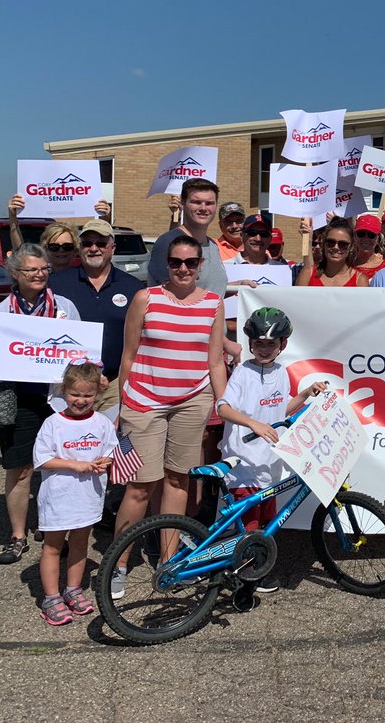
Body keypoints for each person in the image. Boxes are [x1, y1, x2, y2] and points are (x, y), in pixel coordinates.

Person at [110, 234, 229, 598]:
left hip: (192, 401)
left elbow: (214, 361)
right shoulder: (146, 298)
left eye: (190, 263)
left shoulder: (212, 303)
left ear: (200, 265)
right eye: (176, 262)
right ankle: (119, 563)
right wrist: (122, 404)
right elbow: (128, 354)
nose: (182, 269)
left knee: (179, 481)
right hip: (145, 401)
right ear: (165, 264)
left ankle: (168, 561)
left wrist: (222, 403)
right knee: (140, 486)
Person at [0, 243, 82, 565]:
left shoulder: (65, 308)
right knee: (20, 470)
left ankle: (54, 528)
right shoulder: (1, 313)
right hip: (17, 399)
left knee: (59, 467)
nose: (39, 274)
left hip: (58, 399)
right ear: (15, 274)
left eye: (44, 268)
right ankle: (18, 535)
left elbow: (80, 355)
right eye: (31, 269)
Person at [216, 308, 329, 592]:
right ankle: (245, 577)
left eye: (271, 344)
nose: (264, 350)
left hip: (269, 462)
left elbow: (281, 407)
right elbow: (223, 408)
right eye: (259, 344)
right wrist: (253, 423)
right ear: (251, 344)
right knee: (250, 524)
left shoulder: (280, 372)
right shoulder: (242, 372)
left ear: (283, 345)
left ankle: (256, 568)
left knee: (267, 521)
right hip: (242, 462)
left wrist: (305, 395)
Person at [32, 362, 117, 625]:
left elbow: (111, 451)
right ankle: (51, 597)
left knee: (80, 544)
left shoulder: (102, 422)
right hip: (59, 497)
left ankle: (73, 589)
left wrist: (106, 461)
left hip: (88, 497)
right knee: (53, 546)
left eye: (87, 395)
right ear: (64, 392)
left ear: (97, 394)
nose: (80, 401)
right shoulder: (53, 423)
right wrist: (75, 464)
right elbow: (42, 459)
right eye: (75, 395)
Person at [48, 219, 144, 414]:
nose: (93, 248)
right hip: (67, 387)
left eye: (100, 243)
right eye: (87, 243)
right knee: (72, 442)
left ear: (112, 248)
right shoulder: (56, 284)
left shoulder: (133, 287)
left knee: (112, 441)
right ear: (80, 248)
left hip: (114, 385)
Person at [147, 177, 240, 365]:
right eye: (196, 202)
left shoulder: (213, 244)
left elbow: (209, 289)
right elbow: (173, 301)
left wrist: (236, 286)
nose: (203, 208)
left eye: (209, 203)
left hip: (211, 351)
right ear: (183, 204)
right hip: (180, 350)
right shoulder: (169, 243)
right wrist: (224, 342)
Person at [6, 194, 110, 253]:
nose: (61, 251)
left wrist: (104, 215)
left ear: (75, 248)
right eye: (54, 247)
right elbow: (20, 250)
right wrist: (12, 216)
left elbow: (104, 245)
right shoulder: (41, 273)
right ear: (45, 247)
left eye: (67, 246)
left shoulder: (84, 272)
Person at [297, 217, 369, 287]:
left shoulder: (360, 281)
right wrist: (306, 238)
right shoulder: (308, 274)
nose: (336, 247)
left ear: (351, 247)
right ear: (324, 244)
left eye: (343, 244)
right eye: (331, 242)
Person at [352, 214, 385, 281]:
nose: (366, 238)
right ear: (354, 236)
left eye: (371, 235)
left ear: (378, 238)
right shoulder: (345, 266)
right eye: (361, 233)